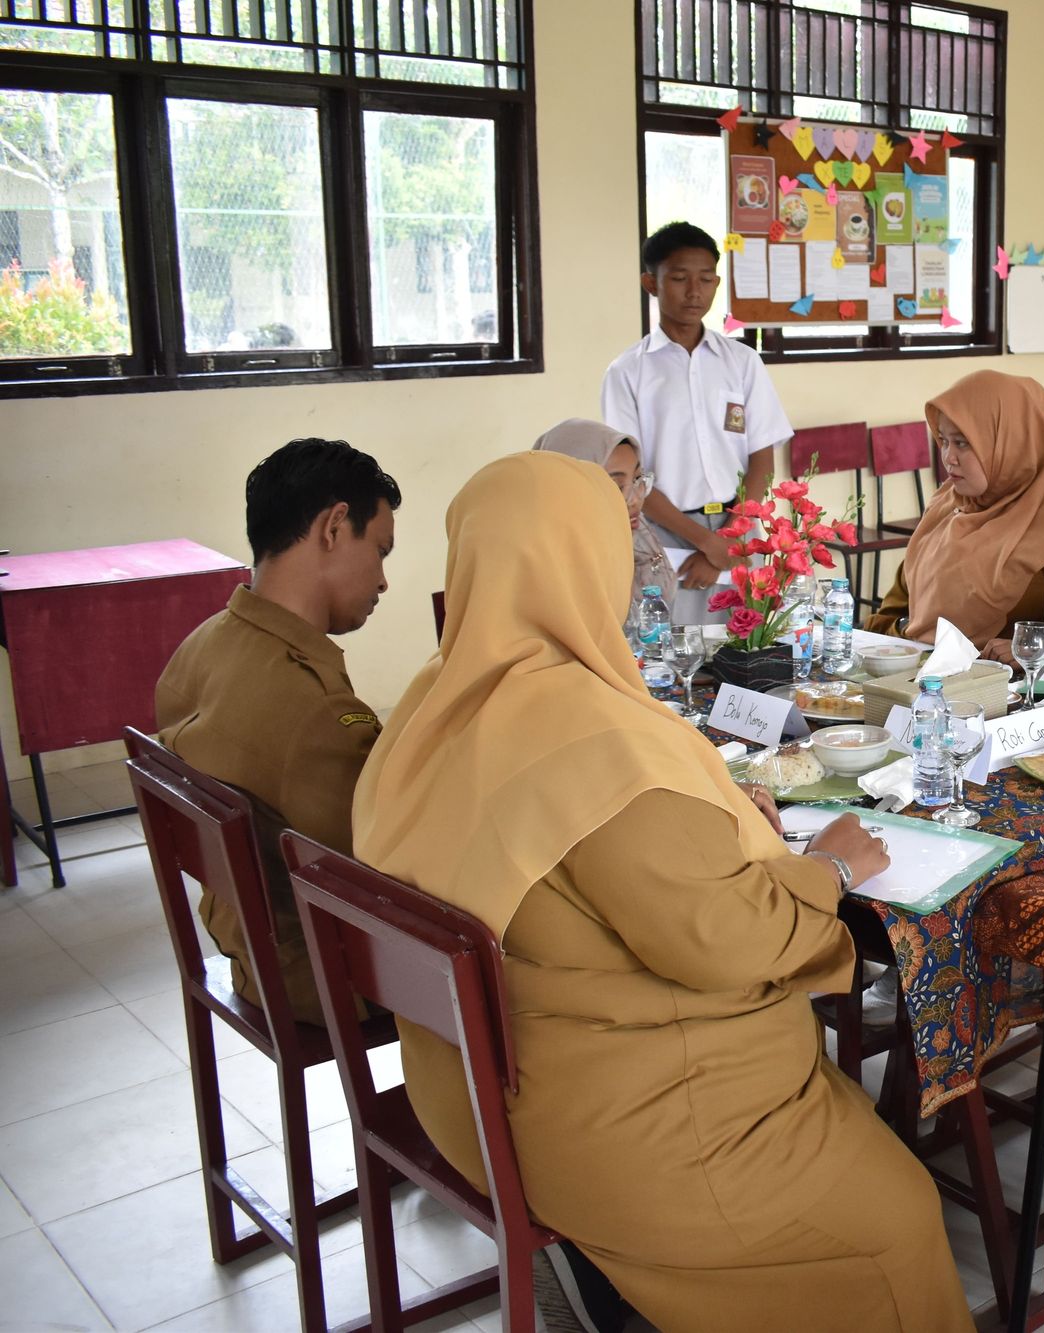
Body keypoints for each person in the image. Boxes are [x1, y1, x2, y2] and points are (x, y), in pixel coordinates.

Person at [353, 451, 972, 1333]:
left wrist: (718, 825)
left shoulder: (425, 709)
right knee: (898, 1218)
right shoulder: (594, 738)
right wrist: (830, 867)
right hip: (625, 1126)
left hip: (475, 1093)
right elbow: (728, 937)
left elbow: (585, 867)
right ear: (585, 562)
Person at [154, 438, 399, 1025]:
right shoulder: (313, 710)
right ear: (333, 527)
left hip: (248, 942)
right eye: (380, 551)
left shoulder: (204, 643)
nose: (383, 580)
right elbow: (391, 865)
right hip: (321, 975)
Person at [865, 370, 1044, 656]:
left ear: (1011, 440)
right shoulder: (948, 505)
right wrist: (910, 631)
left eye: (962, 443)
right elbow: (893, 615)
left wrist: (1037, 649)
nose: (948, 457)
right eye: (943, 440)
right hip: (926, 672)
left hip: (1029, 682)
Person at [602, 221, 791, 626]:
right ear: (650, 283)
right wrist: (704, 542)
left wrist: (728, 539)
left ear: (717, 283)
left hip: (739, 529)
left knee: (749, 648)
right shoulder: (627, 372)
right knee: (676, 650)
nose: (694, 292)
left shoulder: (742, 362)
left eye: (705, 279)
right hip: (667, 536)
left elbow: (762, 459)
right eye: (679, 278)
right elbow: (631, 478)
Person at [532, 417, 674, 607]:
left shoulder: (639, 535)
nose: (635, 500)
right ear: (568, 486)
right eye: (614, 485)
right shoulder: (541, 562)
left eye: (638, 478)